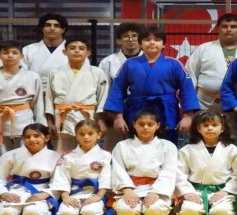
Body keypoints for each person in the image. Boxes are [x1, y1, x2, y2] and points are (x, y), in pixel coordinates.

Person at [104, 26, 199, 145]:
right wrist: (118, 117)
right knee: (135, 146)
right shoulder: (130, 64)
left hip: (166, 111)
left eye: (157, 40)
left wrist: (188, 116)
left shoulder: (174, 64)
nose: (152, 42)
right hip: (137, 110)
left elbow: (187, 89)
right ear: (140, 44)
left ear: (164, 45)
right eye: (147, 40)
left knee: (167, 146)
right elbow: (117, 90)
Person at [0, 40, 46, 157]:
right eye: (5, 53)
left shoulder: (32, 77)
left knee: (25, 155)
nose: (10, 55)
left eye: (14, 52)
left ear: (22, 56)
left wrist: (41, 124)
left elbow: (38, 103)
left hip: (23, 120)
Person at [45, 37, 109, 152]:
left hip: (87, 116)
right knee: (62, 152)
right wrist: (50, 122)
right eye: (72, 48)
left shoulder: (97, 72)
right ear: (64, 52)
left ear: (88, 53)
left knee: (88, 149)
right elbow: (49, 98)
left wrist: (101, 120)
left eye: (81, 48)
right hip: (62, 117)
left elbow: (103, 97)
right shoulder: (54, 73)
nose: (77, 51)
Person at [110, 111, 177, 215]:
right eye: (141, 124)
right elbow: (118, 170)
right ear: (134, 124)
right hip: (131, 188)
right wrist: (127, 190)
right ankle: (138, 206)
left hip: (157, 188)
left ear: (157, 125)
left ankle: (146, 206)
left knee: (155, 211)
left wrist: (156, 193)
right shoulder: (122, 146)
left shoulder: (168, 146)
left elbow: (169, 171)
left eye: (150, 124)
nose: (145, 127)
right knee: (126, 212)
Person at [177, 111, 237, 215]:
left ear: (222, 129)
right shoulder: (187, 150)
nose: (210, 128)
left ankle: (211, 208)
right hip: (196, 191)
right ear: (199, 129)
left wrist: (226, 191)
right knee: (189, 212)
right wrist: (186, 192)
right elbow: (179, 174)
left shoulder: (232, 150)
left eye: (214, 125)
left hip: (222, 191)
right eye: (205, 125)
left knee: (222, 213)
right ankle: (202, 207)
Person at [0, 123, 61, 215]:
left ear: (47, 138)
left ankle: (28, 210)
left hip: (41, 191)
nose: (32, 139)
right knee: (5, 214)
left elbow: (59, 179)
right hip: (16, 190)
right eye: (27, 137)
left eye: (36, 136)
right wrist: (3, 193)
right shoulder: (11, 155)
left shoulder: (55, 157)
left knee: (33, 213)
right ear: (23, 139)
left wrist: (46, 194)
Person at [185, 13, 237, 115]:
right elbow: (190, 77)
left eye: (233, 26)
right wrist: (190, 106)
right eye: (224, 26)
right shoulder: (203, 49)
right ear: (217, 29)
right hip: (204, 103)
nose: (229, 29)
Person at [50, 119, 111, 215]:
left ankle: (95, 206)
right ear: (76, 135)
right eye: (81, 134)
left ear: (99, 134)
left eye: (90, 133)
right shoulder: (67, 156)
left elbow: (106, 177)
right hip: (74, 193)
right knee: (66, 214)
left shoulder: (105, 155)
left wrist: (99, 195)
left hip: (94, 192)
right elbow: (62, 177)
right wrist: (65, 196)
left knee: (90, 213)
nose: (86, 137)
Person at [98, 22, 144, 151]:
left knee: (140, 148)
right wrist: (103, 117)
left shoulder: (148, 59)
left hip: (141, 110)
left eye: (134, 36)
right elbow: (103, 91)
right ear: (119, 40)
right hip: (113, 112)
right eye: (126, 36)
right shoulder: (108, 62)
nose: (130, 39)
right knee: (112, 149)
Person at [23, 13, 71, 87]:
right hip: (34, 90)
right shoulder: (28, 50)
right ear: (42, 29)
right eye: (48, 25)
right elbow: (21, 75)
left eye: (56, 26)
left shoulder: (73, 50)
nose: (52, 28)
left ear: (63, 30)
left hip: (65, 91)